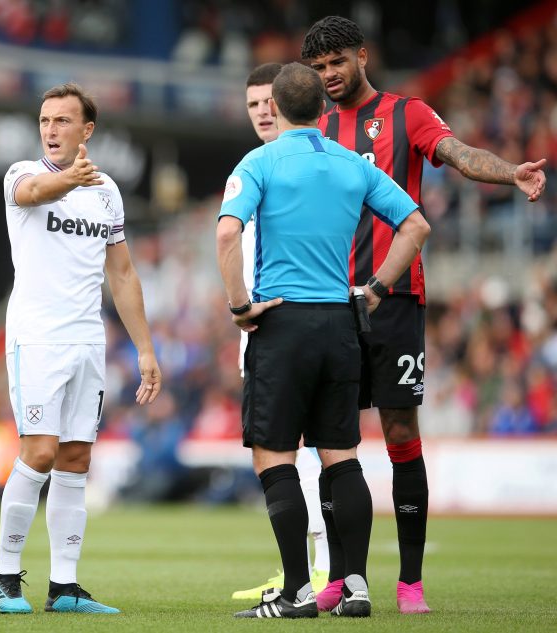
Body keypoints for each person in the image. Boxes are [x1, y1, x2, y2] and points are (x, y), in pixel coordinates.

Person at [301, 15, 547, 614]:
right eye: (319, 68)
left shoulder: (407, 114)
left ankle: (410, 581)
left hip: (396, 299)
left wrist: (511, 171)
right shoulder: (315, 127)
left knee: (401, 433)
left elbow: (458, 154)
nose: (330, 75)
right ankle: (342, 578)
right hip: (331, 300)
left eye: (337, 62)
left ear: (362, 55)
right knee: (334, 443)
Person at [217, 62, 431, 619]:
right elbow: (416, 227)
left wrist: (241, 306)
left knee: (274, 456)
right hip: (342, 321)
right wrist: (379, 287)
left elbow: (226, 232)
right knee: (342, 456)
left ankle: (296, 592)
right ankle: (356, 586)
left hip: (281, 322)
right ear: (322, 110)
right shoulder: (349, 162)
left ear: (279, 109)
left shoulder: (258, 162)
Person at [0, 82, 162, 615]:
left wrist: (146, 350)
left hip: (88, 339)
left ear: (88, 130)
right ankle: (5, 578)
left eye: (63, 121)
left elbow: (123, 272)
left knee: (76, 457)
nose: (51, 129)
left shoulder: (105, 190)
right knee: (38, 452)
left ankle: (64, 587)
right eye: (45, 120)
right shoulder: (22, 173)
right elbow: (34, 195)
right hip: (37, 337)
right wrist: (68, 179)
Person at [229, 62, 331, 603]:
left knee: (296, 449)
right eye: (252, 106)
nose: (263, 112)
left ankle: (317, 572)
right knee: (292, 451)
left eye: (270, 101)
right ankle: (310, 568)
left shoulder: (295, 167)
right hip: (262, 330)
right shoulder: (256, 166)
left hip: (290, 328)